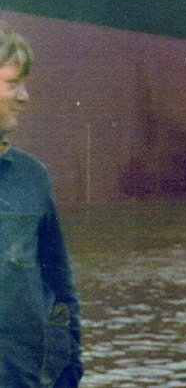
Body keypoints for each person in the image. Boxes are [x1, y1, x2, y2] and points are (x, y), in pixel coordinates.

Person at [0, 21, 84, 386]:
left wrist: (70, 365)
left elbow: (60, 285)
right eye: (13, 83)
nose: (24, 96)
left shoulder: (33, 178)